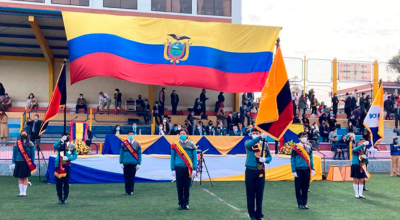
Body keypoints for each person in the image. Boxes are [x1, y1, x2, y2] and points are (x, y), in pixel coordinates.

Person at [244, 128, 270, 219]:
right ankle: (252, 214)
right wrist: (259, 137)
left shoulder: (265, 144)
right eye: (253, 133)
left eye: (257, 133)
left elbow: (269, 157)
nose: (255, 134)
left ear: (260, 133)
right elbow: (248, 145)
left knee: (259, 193)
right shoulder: (249, 142)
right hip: (250, 170)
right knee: (250, 193)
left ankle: (259, 214)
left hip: (260, 171)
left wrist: (266, 160)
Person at [170, 129, 198, 210]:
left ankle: (186, 203)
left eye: (184, 133)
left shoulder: (192, 145)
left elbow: (194, 158)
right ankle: (180, 203)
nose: (182, 135)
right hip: (178, 168)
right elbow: (172, 158)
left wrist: (194, 169)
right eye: (181, 133)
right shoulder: (175, 145)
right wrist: (172, 169)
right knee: (179, 187)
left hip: (188, 169)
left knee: (186, 187)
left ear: (187, 135)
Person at [291, 132, 315, 209]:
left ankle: (304, 203)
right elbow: (292, 159)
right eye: (302, 136)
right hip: (298, 169)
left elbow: (311, 158)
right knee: (298, 187)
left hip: (307, 169)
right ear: (299, 138)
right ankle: (300, 203)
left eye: (305, 136)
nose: (304, 138)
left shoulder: (309, 146)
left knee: (306, 187)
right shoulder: (295, 147)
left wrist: (313, 168)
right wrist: (293, 170)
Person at [53, 132, 77, 204]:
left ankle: (65, 197)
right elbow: (54, 147)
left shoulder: (71, 146)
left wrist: (69, 158)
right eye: (65, 136)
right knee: (58, 183)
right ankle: (60, 198)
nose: (67, 137)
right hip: (58, 165)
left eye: (68, 136)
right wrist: (61, 141)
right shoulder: (60, 144)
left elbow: (75, 156)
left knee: (66, 183)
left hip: (67, 165)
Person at [11, 130, 35, 197]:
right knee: (20, 177)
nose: (23, 134)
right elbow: (14, 153)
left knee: (25, 177)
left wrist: (32, 162)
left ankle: (24, 192)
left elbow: (33, 154)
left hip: (26, 162)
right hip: (18, 161)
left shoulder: (30, 143)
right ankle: (21, 192)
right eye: (22, 133)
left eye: (24, 133)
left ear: (27, 134)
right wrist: (13, 162)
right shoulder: (17, 143)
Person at [120, 131, 142, 195]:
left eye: (132, 134)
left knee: (132, 177)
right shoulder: (123, 144)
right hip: (125, 163)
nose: (131, 135)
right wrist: (121, 162)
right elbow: (121, 153)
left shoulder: (137, 144)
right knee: (126, 177)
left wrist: (138, 163)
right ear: (127, 135)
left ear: (134, 135)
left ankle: (131, 190)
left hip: (134, 163)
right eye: (129, 134)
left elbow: (139, 154)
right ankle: (127, 190)